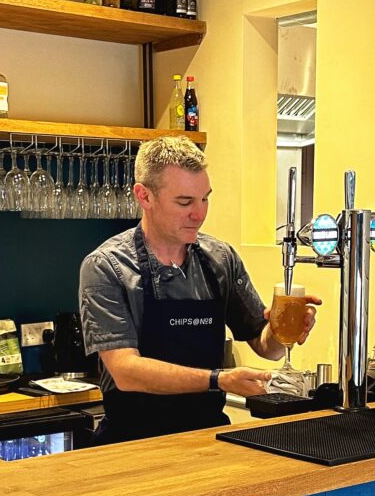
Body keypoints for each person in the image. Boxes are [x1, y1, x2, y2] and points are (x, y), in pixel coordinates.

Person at [79, 136, 319, 444]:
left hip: (208, 438)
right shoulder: (107, 266)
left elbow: (267, 348)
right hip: (133, 444)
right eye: (185, 202)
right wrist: (219, 380)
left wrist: (281, 327)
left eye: (205, 199)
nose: (199, 214)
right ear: (144, 196)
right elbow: (125, 371)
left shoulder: (220, 258)